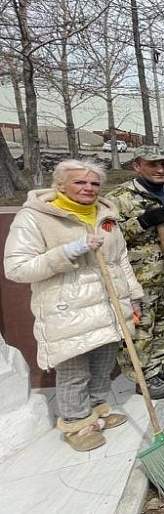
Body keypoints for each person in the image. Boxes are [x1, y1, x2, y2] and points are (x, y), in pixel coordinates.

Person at [4, 160, 143, 452]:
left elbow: (120, 259)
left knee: (103, 363)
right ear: (60, 184)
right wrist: (68, 251)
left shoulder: (106, 214)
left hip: (109, 305)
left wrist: (133, 295)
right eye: (80, 182)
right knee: (74, 370)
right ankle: (77, 423)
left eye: (94, 183)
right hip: (68, 309)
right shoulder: (36, 218)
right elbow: (16, 268)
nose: (89, 188)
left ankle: (98, 410)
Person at [104, 147, 164, 400]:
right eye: (153, 164)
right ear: (137, 166)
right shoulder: (119, 198)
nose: (160, 169)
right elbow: (105, 240)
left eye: (163, 164)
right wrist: (140, 223)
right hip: (139, 281)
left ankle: (158, 364)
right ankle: (143, 376)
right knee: (141, 330)